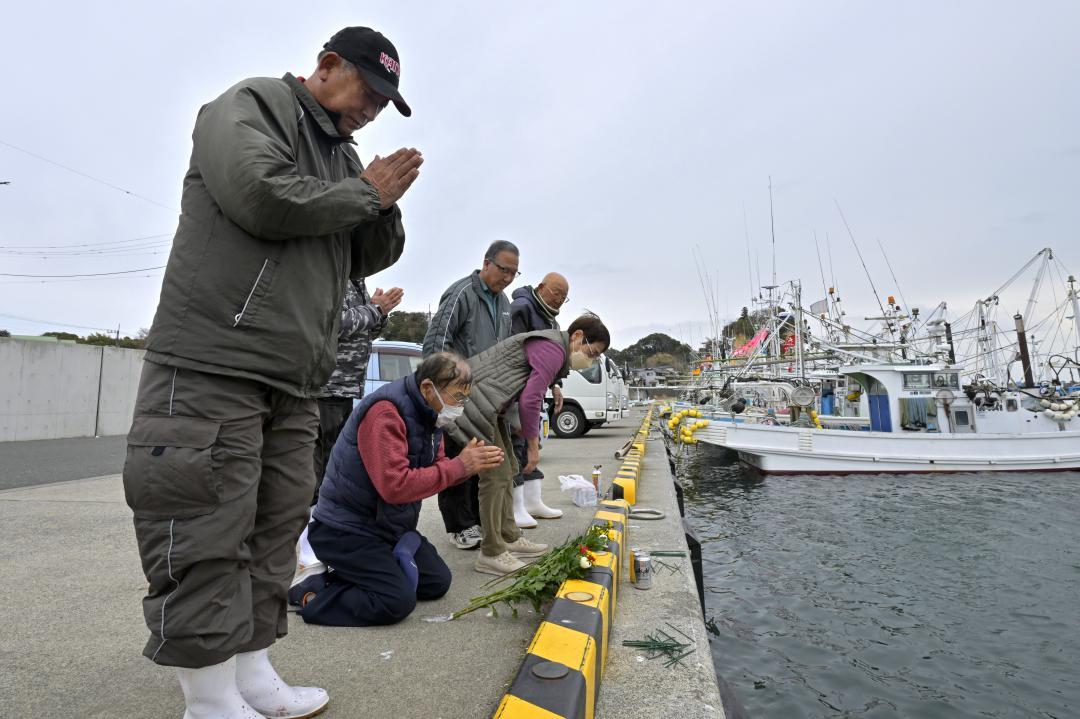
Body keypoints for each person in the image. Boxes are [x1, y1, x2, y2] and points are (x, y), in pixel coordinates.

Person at [122, 26, 420, 719]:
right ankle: (208, 696)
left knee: (275, 525)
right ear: (325, 66)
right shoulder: (252, 104)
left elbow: (365, 254)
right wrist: (363, 193)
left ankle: (252, 671)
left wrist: (379, 199)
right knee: (205, 521)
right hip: (214, 360)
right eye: (369, 92)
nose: (373, 109)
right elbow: (263, 195)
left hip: (295, 378)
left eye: (385, 103)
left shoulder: (342, 156)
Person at [290, 353, 504, 625]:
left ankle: (360, 574)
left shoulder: (431, 417)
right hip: (346, 530)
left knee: (437, 582)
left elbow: (434, 472)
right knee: (395, 601)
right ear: (428, 388)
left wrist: (468, 467)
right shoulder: (386, 412)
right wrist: (460, 466)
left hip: (387, 528)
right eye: (457, 397)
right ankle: (312, 592)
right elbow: (394, 486)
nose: (460, 406)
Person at [445, 315, 610, 576]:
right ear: (577, 336)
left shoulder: (552, 347)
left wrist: (522, 426)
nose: (589, 359)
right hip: (472, 402)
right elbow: (531, 398)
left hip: (487, 405)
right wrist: (534, 446)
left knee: (509, 468)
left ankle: (509, 536)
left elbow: (520, 388)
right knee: (495, 475)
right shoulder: (554, 348)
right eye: (591, 352)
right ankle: (491, 552)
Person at [421, 240, 519, 550]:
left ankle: (477, 518)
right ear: (486, 263)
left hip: (487, 399)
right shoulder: (462, 293)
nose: (507, 278)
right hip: (457, 394)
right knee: (455, 457)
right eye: (503, 269)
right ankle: (458, 525)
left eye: (514, 273)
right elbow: (437, 341)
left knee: (481, 461)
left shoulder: (504, 304)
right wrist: (442, 389)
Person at [312, 280, 403, 502]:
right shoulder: (336, 277)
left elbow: (367, 333)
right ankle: (315, 514)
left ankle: (326, 510)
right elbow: (336, 324)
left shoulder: (357, 282)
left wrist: (381, 313)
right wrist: (375, 309)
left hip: (346, 388)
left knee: (336, 455)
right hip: (329, 385)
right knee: (323, 458)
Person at [507, 273, 570, 527]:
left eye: (564, 298)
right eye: (556, 293)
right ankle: (516, 507)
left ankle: (533, 502)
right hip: (515, 387)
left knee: (530, 444)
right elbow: (516, 350)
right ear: (542, 287)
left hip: (535, 387)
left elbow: (549, 362)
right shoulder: (521, 308)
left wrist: (555, 384)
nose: (559, 300)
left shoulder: (551, 319)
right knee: (517, 446)